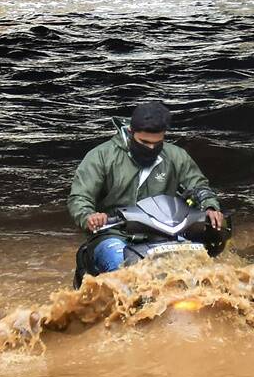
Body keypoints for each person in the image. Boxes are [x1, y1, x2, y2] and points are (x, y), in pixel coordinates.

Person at [68, 101, 225, 275]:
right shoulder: (101, 157)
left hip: (166, 234)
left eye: (156, 144)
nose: (150, 148)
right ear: (130, 132)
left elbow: (198, 186)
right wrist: (89, 217)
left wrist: (210, 207)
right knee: (124, 273)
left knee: (201, 271)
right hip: (114, 235)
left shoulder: (176, 156)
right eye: (144, 143)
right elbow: (80, 198)